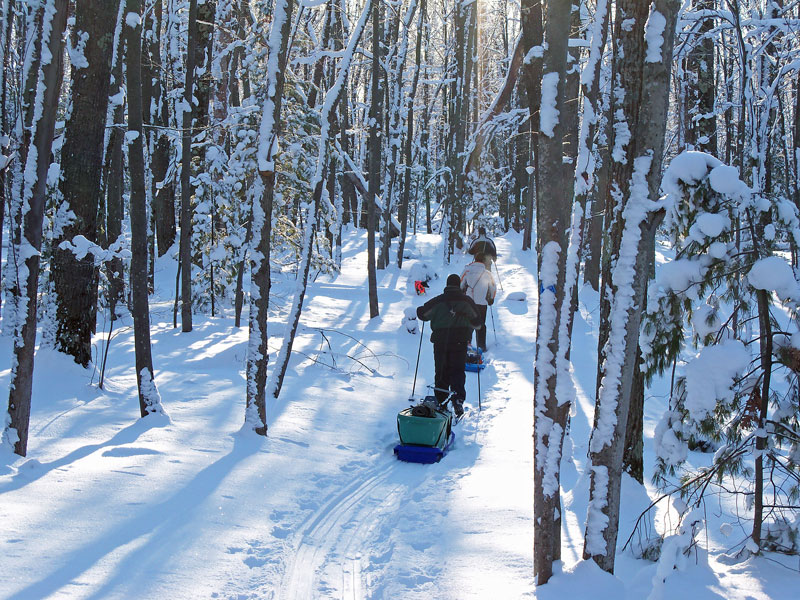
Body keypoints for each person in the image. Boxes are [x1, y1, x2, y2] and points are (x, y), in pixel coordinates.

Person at [416, 274, 482, 416]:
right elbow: (478, 323)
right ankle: (457, 399)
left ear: (447, 285)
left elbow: (422, 314)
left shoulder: (439, 300)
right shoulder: (466, 301)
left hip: (441, 341)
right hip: (460, 341)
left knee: (441, 370)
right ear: (458, 285)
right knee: (458, 370)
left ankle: (441, 400)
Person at [460, 252, 497, 351]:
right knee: (480, 324)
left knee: (468, 323)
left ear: (474, 259)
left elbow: (460, 284)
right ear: (484, 261)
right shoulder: (487, 273)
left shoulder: (467, 270)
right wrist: (491, 299)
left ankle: (467, 344)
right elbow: (493, 288)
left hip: (468, 303)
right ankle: (481, 347)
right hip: (481, 303)